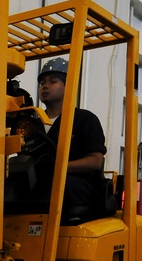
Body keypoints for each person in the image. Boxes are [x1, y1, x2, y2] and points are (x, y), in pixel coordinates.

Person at [35, 57, 108, 222]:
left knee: (57, 185)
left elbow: (95, 161)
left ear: (69, 87)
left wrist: (57, 168)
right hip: (43, 182)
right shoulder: (33, 123)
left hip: (77, 184)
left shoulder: (84, 119)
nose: (45, 86)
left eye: (53, 81)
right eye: (42, 83)